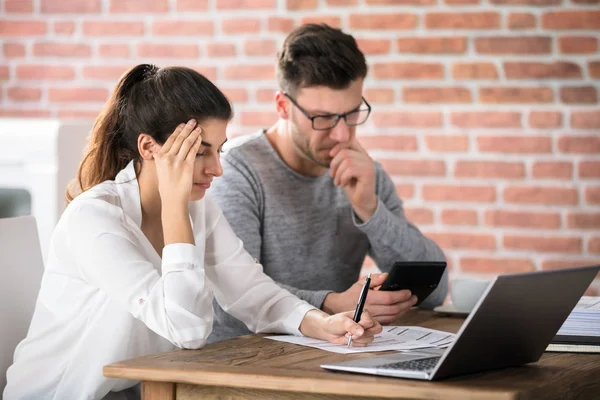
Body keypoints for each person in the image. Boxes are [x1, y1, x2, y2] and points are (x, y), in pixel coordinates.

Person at [3, 64, 381, 400]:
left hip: (137, 389)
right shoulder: (94, 221)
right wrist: (173, 206)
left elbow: (252, 292)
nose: (217, 169)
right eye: (200, 153)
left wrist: (320, 323)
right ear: (149, 147)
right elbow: (187, 330)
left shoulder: (197, 209)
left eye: (219, 150)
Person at [207, 24, 448, 344]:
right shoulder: (235, 171)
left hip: (329, 356)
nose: (341, 134)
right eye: (322, 118)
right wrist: (330, 303)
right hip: (238, 362)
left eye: (351, 114)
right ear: (282, 106)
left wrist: (370, 210)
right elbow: (229, 297)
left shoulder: (363, 173)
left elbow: (436, 292)